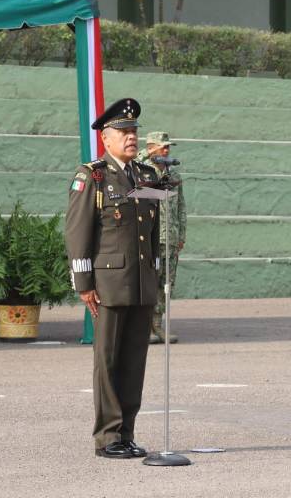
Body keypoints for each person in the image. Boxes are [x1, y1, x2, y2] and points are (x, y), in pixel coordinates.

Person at [65, 98, 160, 458]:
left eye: (134, 131)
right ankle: (108, 437)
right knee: (107, 362)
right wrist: (84, 284)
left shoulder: (147, 176)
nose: (131, 137)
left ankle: (127, 433)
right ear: (106, 138)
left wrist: (155, 272)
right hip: (108, 284)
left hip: (141, 283)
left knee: (134, 361)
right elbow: (77, 234)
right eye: (124, 131)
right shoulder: (92, 176)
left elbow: (152, 231)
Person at [136, 131, 187, 344]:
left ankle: (157, 324)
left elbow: (181, 206)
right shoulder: (140, 171)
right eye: (162, 147)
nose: (166, 151)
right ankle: (142, 327)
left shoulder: (173, 174)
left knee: (166, 284)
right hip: (149, 238)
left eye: (168, 147)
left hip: (171, 237)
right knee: (147, 282)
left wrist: (181, 234)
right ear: (150, 148)